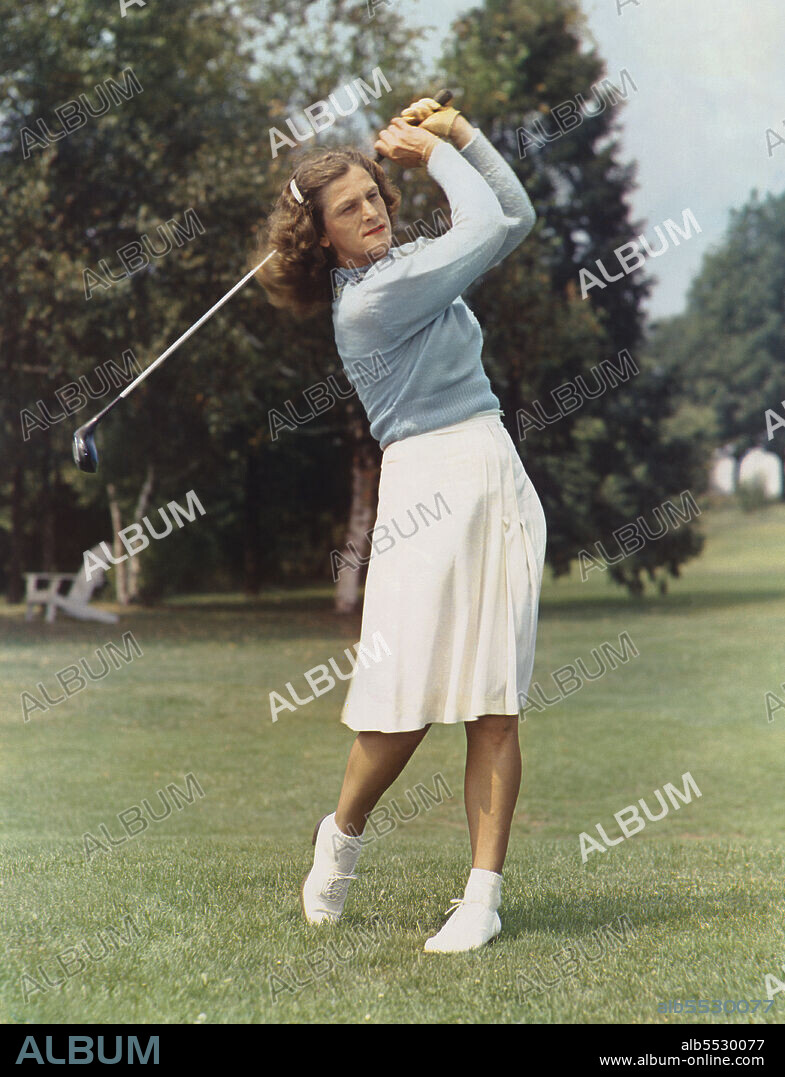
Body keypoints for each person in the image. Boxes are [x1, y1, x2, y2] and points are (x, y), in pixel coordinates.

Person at [254, 97, 546, 953]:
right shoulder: (369, 305)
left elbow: (513, 218)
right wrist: (435, 150)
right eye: (350, 208)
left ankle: (481, 898)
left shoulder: (411, 263)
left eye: (375, 194)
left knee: (494, 700)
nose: (373, 210)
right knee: (402, 708)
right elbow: (490, 220)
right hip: (424, 487)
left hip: (490, 467)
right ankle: (339, 838)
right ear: (324, 239)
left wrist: (460, 137)